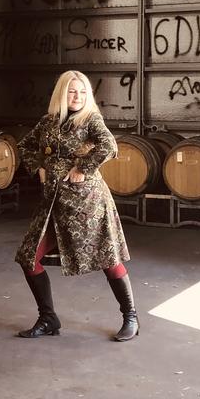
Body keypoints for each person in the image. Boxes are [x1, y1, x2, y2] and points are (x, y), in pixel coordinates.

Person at [15, 70, 139, 342]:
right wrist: (38, 167)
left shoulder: (91, 119)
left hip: (87, 201)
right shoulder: (48, 122)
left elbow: (108, 145)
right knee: (29, 257)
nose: (77, 96)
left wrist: (84, 167)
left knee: (108, 257)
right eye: (72, 91)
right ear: (62, 93)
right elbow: (24, 146)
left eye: (83, 92)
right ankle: (48, 318)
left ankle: (130, 316)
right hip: (52, 203)